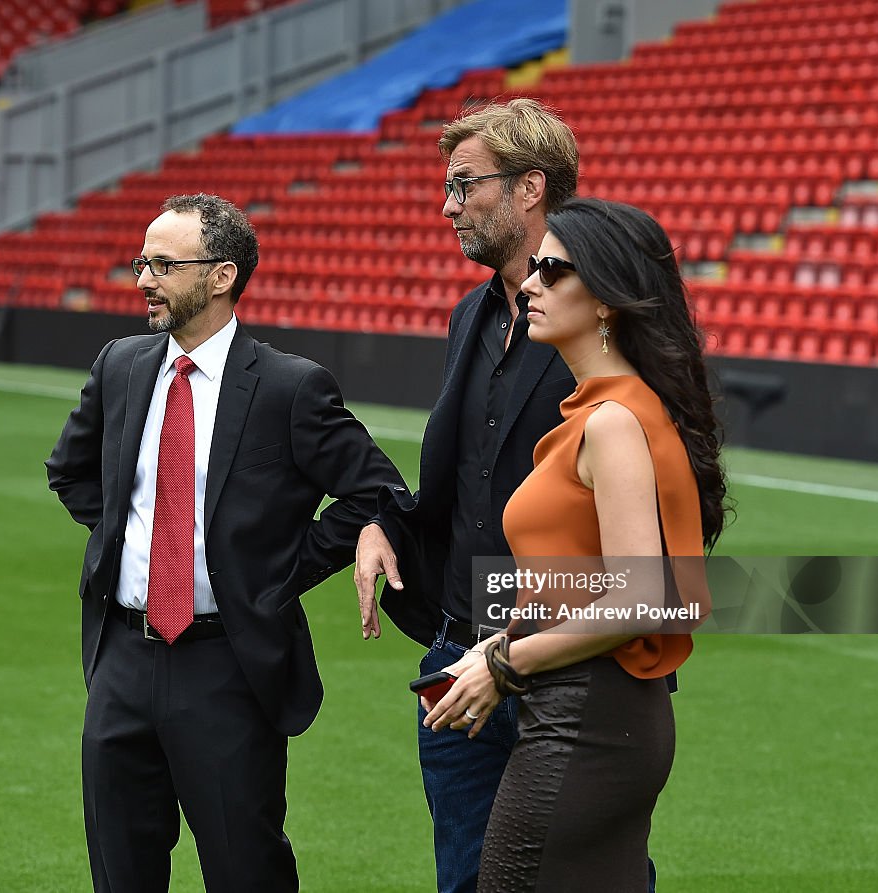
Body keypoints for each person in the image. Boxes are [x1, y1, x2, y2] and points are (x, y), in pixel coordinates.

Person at [45, 192, 404, 893]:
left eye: (163, 264)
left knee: (246, 871)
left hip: (229, 666)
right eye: (141, 261)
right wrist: (134, 537)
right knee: (119, 872)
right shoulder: (120, 363)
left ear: (222, 275)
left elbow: (378, 489)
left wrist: (280, 569)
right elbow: (70, 469)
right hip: (121, 657)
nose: (143, 278)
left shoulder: (289, 386)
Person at [422, 197, 728, 891]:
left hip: (588, 716)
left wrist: (503, 659)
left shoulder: (613, 421)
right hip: (594, 711)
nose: (529, 283)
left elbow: (642, 597)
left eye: (552, 271)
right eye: (534, 269)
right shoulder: (609, 411)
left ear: (608, 300)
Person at [353, 98, 579, 893]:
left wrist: (517, 653)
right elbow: (467, 477)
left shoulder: (609, 320)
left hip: (565, 664)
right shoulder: (469, 314)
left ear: (530, 189)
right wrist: (386, 521)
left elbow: (663, 549)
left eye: (464, 185)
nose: (447, 206)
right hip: (456, 656)